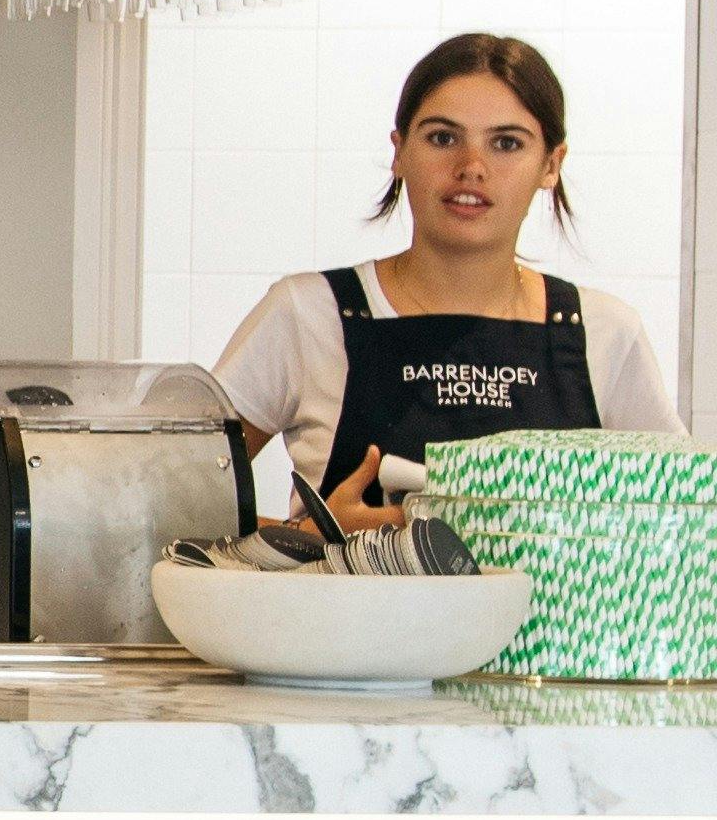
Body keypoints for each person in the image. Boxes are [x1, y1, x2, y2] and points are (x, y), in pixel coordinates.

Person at [212, 32, 679, 527]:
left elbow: (685, 522)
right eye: (442, 138)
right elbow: (172, 504)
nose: (471, 168)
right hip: (349, 607)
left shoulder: (605, 331)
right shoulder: (306, 313)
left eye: (506, 144)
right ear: (399, 152)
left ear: (550, 165)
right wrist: (312, 536)